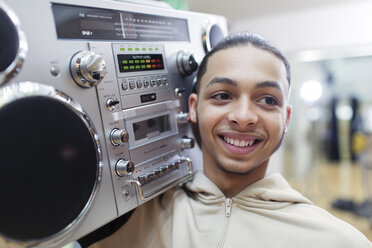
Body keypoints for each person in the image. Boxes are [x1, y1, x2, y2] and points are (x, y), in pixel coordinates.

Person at [88, 32, 372, 247]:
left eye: (267, 99)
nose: (244, 116)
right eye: (222, 95)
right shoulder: (123, 222)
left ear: (286, 118)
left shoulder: (339, 241)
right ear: (193, 108)